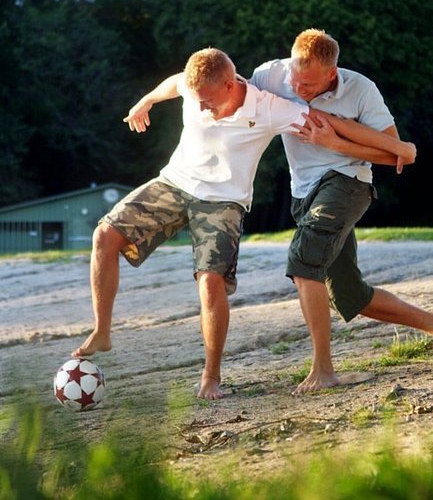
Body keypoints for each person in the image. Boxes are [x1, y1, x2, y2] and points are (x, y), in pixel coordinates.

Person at [72, 47, 415, 400]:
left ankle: (211, 376)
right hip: (174, 183)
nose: (201, 107)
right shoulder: (194, 89)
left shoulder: (269, 107)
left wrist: (399, 147)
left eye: (207, 100)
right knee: (104, 235)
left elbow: (338, 126)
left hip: (223, 201)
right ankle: (102, 330)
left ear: (230, 83)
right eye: (197, 99)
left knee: (210, 281)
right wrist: (145, 102)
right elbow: (174, 85)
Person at [250, 28, 432, 394]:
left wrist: (334, 143)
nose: (299, 90)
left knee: (303, 260)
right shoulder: (271, 75)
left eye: (310, 85)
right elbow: (226, 88)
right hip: (303, 193)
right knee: (350, 296)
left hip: (348, 182)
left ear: (332, 74)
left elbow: (393, 153)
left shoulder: (360, 89)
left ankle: (323, 370)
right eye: (295, 83)